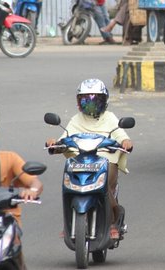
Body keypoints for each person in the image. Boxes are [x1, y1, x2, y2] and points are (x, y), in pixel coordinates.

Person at [46, 78, 133, 240]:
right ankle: (69, 223)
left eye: (95, 100)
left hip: (106, 161)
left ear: (104, 101)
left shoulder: (110, 118)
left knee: (104, 182)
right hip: (80, 161)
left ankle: (114, 218)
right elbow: (64, 137)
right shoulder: (76, 119)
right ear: (79, 102)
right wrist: (54, 144)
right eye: (86, 100)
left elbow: (121, 135)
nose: (91, 105)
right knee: (68, 184)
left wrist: (126, 142)